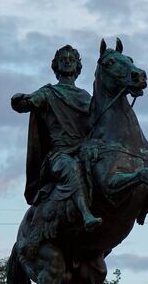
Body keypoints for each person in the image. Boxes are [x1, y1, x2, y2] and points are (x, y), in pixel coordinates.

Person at [12, 44, 101, 230]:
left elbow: (98, 125)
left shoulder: (86, 97)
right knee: (71, 168)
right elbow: (25, 104)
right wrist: (20, 100)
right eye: (63, 59)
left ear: (78, 67)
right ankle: (86, 215)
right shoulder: (48, 93)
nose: (67, 61)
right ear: (56, 66)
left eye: (72, 59)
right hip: (60, 156)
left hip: (83, 151)